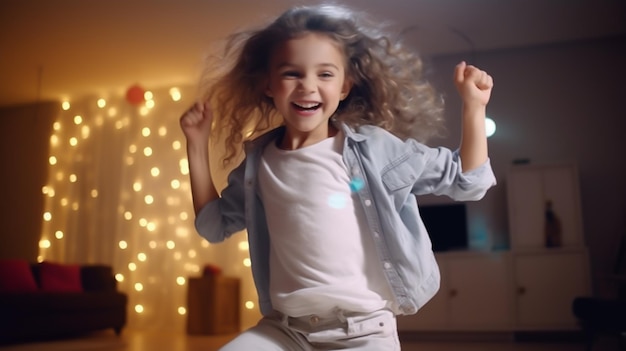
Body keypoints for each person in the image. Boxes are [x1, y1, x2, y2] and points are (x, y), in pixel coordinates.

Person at [180, 4, 496, 350]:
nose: (308, 86)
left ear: (345, 86)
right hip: (285, 331)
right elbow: (213, 225)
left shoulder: (373, 151)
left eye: (325, 74)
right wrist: (196, 147)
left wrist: (474, 107)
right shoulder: (259, 164)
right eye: (291, 73)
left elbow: (469, 181)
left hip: (363, 332)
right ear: (268, 84)